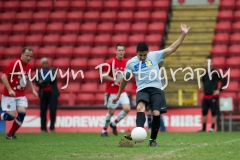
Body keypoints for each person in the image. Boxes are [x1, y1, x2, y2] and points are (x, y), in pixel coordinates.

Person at [112, 23, 190, 147]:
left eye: (144, 55)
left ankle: (152, 140)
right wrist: (118, 94)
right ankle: (138, 133)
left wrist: (183, 34)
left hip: (156, 89)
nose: (142, 57)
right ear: (136, 52)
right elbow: (125, 79)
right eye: (140, 55)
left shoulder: (154, 55)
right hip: (142, 89)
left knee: (156, 113)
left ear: (148, 52)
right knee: (140, 108)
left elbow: (172, 48)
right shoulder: (131, 63)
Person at [0, 46, 38, 139]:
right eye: (27, 56)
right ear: (22, 54)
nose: (28, 58)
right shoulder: (15, 63)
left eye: (30, 56)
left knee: (22, 114)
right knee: (11, 116)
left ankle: (10, 134)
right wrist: (9, 89)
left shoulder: (28, 66)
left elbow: (27, 78)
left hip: (21, 94)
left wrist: (33, 90)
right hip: (10, 95)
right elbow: (3, 77)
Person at [101, 44, 131, 137]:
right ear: (116, 51)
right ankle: (104, 130)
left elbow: (128, 74)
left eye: (122, 50)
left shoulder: (127, 62)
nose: (121, 52)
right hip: (111, 91)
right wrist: (115, 80)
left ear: (124, 51)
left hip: (122, 91)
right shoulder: (111, 62)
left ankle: (114, 123)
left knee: (127, 108)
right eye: (119, 50)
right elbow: (104, 75)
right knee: (111, 112)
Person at [199, 56, 227, 132]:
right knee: (204, 111)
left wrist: (219, 90)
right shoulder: (203, 74)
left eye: (210, 62)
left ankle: (212, 128)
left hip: (213, 96)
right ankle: (203, 128)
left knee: (213, 112)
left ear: (212, 63)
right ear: (205, 63)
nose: (208, 63)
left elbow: (225, 80)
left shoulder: (215, 73)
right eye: (207, 62)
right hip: (205, 95)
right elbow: (203, 84)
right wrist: (202, 91)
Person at [36, 57, 59, 133]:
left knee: (53, 111)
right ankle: (43, 128)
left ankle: (52, 127)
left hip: (52, 94)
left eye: (46, 62)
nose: (45, 64)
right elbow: (37, 83)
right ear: (41, 64)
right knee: (43, 111)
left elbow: (52, 80)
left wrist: (42, 82)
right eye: (44, 63)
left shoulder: (52, 71)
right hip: (43, 94)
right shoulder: (38, 72)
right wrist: (46, 83)